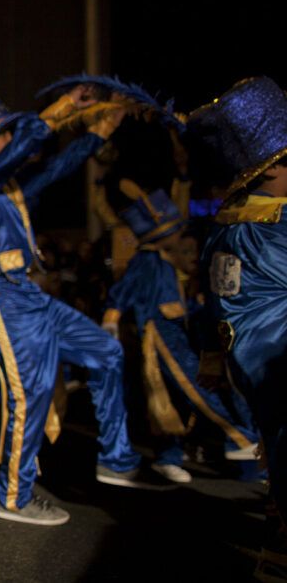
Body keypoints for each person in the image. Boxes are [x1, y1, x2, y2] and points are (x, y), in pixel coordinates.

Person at [0, 80, 144, 526]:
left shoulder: (7, 185)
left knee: (107, 352)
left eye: (9, 131)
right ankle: (13, 497)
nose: (10, 139)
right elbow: (26, 148)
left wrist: (100, 131)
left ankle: (116, 457)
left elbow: (58, 166)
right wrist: (65, 107)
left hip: (30, 294)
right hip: (3, 297)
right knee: (27, 396)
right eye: (0, 134)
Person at [103, 182, 258, 483]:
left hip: (177, 328)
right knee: (192, 384)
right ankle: (239, 438)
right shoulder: (147, 259)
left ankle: (170, 456)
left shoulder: (166, 261)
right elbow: (121, 293)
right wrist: (111, 320)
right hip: (159, 332)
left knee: (173, 396)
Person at [193, 77, 287, 575]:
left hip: (249, 358)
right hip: (276, 354)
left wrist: (212, 356)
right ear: (271, 171)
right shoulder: (276, 226)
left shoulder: (227, 227)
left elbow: (211, 303)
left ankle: (274, 557)